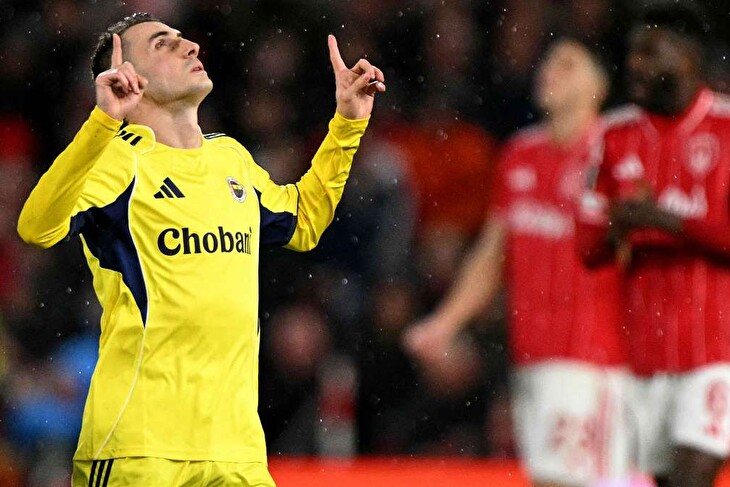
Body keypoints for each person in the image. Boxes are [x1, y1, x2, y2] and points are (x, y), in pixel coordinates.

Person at [16, 12, 384, 487]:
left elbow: (304, 221)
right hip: (141, 447)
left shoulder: (231, 159)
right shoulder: (115, 160)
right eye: (163, 44)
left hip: (237, 452)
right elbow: (36, 227)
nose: (189, 46)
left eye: (183, 38)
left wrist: (347, 124)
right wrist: (102, 122)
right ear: (127, 74)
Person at [405, 38, 631, 487]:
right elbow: (493, 254)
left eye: (567, 65)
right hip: (530, 355)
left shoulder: (618, 157)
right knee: (549, 480)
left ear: (599, 86)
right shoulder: (519, 155)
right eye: (547, 62)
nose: (548, 72)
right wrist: (446, 323)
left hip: (594, 361)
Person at [576, 4, 730, 487]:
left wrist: (662, 219)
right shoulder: (615, 134)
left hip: (717, 351)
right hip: (645, 354)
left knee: (692, 477)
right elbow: (587, 248)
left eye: (649, 53)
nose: (634, 65)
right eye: (632, 53)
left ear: (688, 58)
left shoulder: (727, 129)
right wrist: (617, 225)